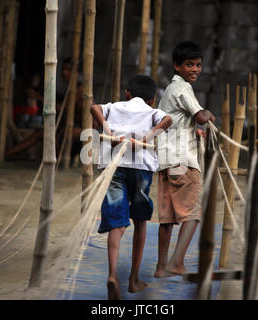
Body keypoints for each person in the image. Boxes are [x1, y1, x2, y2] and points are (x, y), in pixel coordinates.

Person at [90, 75, 172, 300]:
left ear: (127, 93)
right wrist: (149, 136)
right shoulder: (151, 111)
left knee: (116, 221)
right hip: (141, 168)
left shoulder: (115, 107)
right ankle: (134, 279)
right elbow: (168, 120)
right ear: (152, 99)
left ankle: (113, 274)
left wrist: (108, 131)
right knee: (141, 221)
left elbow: (94, 107)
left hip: (114, 167)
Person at [154, 41, 215, 278]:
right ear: (177, 66)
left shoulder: (169, 91)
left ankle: (161, 267)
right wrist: (209, 114)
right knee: (193, 213)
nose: (195, 69)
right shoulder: (183, 89)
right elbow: (200, 117)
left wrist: (193, 129)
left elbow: (177, 123)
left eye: (198, 65)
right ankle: (176, 263)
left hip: (166, 162)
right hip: (183, 161)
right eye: (190, 65)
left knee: (167, 218)